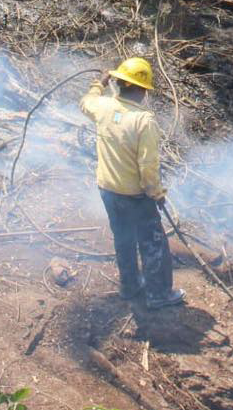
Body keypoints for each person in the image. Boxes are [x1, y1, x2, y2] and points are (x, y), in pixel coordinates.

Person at [78, 57, 185, 309]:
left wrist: (98, 84)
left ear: (119, 84)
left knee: (123, 238)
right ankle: (158, 295)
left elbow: (85, 103)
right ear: (141, 90)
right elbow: (148, 167)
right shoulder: (143, 121)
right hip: (136, 195)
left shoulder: (103, 107)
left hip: (108, 190)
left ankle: (129, 286)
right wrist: (157, 193)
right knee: (153, 243)